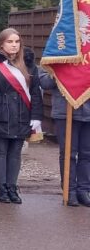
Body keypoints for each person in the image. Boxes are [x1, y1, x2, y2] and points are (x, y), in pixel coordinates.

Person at [0, 29, 43, 204]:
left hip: (23, 114)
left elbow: (35, 92)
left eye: (17, 41)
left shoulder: (28, 64)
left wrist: (36, 115)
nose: (14, 45)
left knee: (15, 153)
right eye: (9, 41)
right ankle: (1, 188)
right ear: (1, 44)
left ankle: (12, 187)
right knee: (0, 151)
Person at [39, 69, 90, 206]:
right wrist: (62, 73)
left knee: (87, 154)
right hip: (65, 111)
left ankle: (84, 190)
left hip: (88, 111)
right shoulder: (60, 49)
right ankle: (70, 190)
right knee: (69, 154)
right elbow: (44, 81)